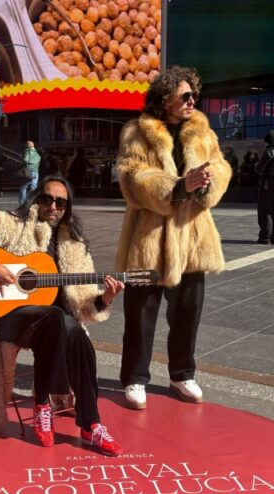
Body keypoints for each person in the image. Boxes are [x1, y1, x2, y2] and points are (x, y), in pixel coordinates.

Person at [0, 175, 125, 455]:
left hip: (54, 325)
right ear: (35, 198)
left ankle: (91, 424)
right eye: (46, 199)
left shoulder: (74, 244)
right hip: (11, 318)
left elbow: (87, 302)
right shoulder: (10, 223)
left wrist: (104, 298)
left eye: (60, 202)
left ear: (67, 207)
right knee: (57, 319)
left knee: (71, 328)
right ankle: (45, 404)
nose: (52, 206)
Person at [114, 66, 231, 410]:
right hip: (149, 237)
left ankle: (182, 372)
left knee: (188, 310)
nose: (192, 100)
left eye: (194, 94)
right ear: (164, 98)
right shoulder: (137, 132)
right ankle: (135, 378)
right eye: (184, 95)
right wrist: (178, 187)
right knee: (141, 313)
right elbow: (132, 177)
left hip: (192, 237)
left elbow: (221, 166)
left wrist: (208, 182)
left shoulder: (202, 131)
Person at [255, 130, 274, 244]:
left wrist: (256, 166)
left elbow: (260, 169)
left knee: (265, 210)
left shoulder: (269, 152)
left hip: (268, 182)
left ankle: (265, 237)